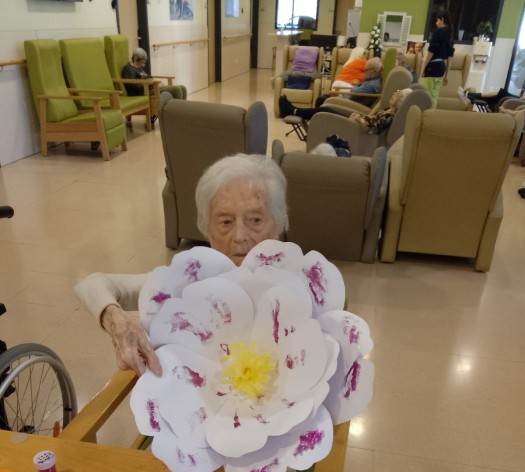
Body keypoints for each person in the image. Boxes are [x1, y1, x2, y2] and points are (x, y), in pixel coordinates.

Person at [75, 155, 288, 377]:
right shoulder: (188, 283)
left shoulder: (300, 289)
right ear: (208, 229)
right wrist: (116, 320)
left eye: (255, 220)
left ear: (278, 224)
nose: (239, 236)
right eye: (226, 222)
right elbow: (91, 284)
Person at [279, 57, 382, 121]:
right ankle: (310, 120)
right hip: (350, 102)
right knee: (322, 99)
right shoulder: (371, 80)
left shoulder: (372, 85)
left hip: (353, 109)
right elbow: (355, 89)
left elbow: (354, 91)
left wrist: (346, 94)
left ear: (374, 70)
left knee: (324, 109)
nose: (364, 72)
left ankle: (293, 111)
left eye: (366, 70)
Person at [121, 48, 187, 106]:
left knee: (183, 88)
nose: (143, 65)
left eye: (144, 63)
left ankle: (182, 111)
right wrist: (152, 84)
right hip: (142, 92)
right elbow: (135, 86)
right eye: (142, 62)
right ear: (135, 59)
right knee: (176, 89)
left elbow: (148, 77)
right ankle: (178, 113)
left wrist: (157, 82)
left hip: (151, 87)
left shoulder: (138, 67)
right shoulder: (128, 69)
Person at [420, 11, 455, 108]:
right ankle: (432, 114)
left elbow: (431, 52)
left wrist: (423, 67)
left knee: (424, 95)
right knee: (434, 97)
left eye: (437, 20)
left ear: (442, 20)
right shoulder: (450, 34)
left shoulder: (438, 32)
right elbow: (450, 57)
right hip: (441, 68)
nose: (436, 23)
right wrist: (447, 75)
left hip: (432, 67)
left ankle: (424, 115)